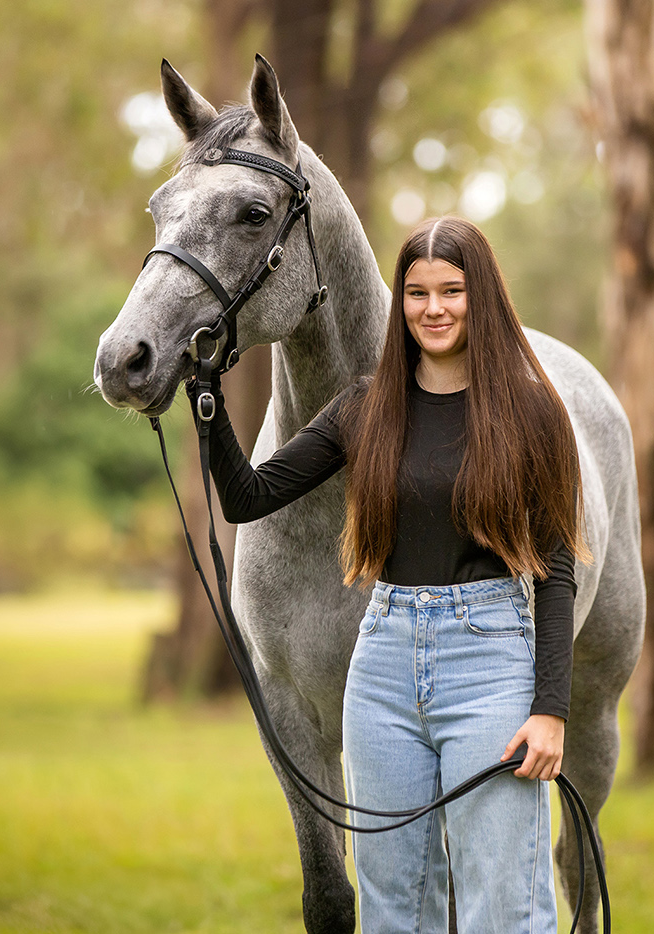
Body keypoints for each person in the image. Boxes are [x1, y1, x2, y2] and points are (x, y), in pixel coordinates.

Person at [203, 215, 588, 933]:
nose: (433, 309)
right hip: (381, 665)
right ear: (399, 303)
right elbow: (246, 497)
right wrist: (208, 403)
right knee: (393, 909)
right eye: (416, 293)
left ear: (484, 298)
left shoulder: (531, 411)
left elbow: (556, 570)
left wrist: (551, 709)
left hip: (491, 661)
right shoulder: (367, 404)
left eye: (452, 290)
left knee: (501, 906)